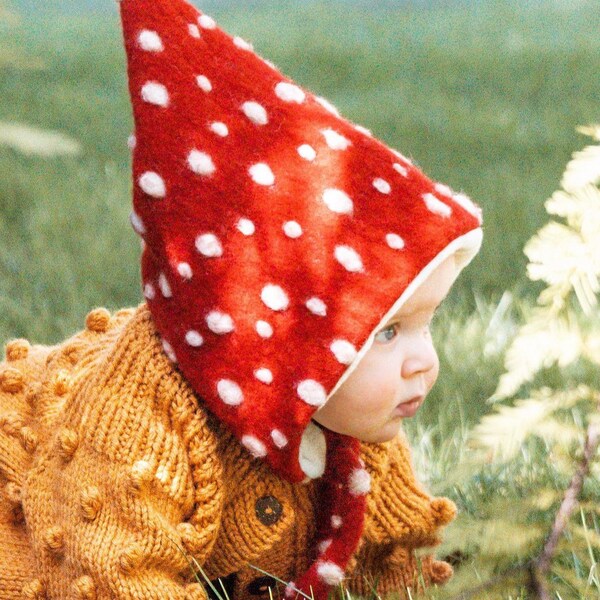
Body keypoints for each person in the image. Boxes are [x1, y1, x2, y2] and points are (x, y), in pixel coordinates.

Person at [0, 1, 483, 599]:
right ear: (278, 338)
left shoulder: (358, 428)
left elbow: (394, 559)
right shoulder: (139, 420)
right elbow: (115, 574)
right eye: (386, 332)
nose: (424, 362)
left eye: (423, 326)